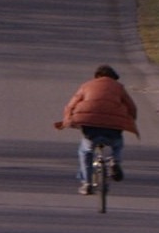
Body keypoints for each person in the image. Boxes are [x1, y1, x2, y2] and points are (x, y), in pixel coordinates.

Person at [54, 64, 138, 195]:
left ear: (97, 76)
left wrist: (67, 121)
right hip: (113, 128)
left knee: (85, 151)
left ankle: (87, 184)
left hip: (91, 128)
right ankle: (114, 161)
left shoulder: (86, 86)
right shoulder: (119, 88)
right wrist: (129, 121)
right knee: (117, 144)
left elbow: (70, 106)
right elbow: (132, 108)